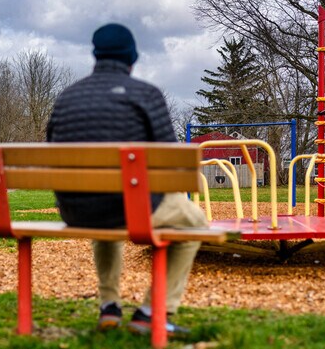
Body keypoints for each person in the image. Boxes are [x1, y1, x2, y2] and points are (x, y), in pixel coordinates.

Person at [46, 23, 208, 335]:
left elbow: (53, 148)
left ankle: (109, 305)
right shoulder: (145, 95)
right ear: (132, 56)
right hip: (131, 207)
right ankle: (152, 312)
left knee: (102, 207)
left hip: (76, 210)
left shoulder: (67, 97)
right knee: (195, 223)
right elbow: (171, 162)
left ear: (95, 54)